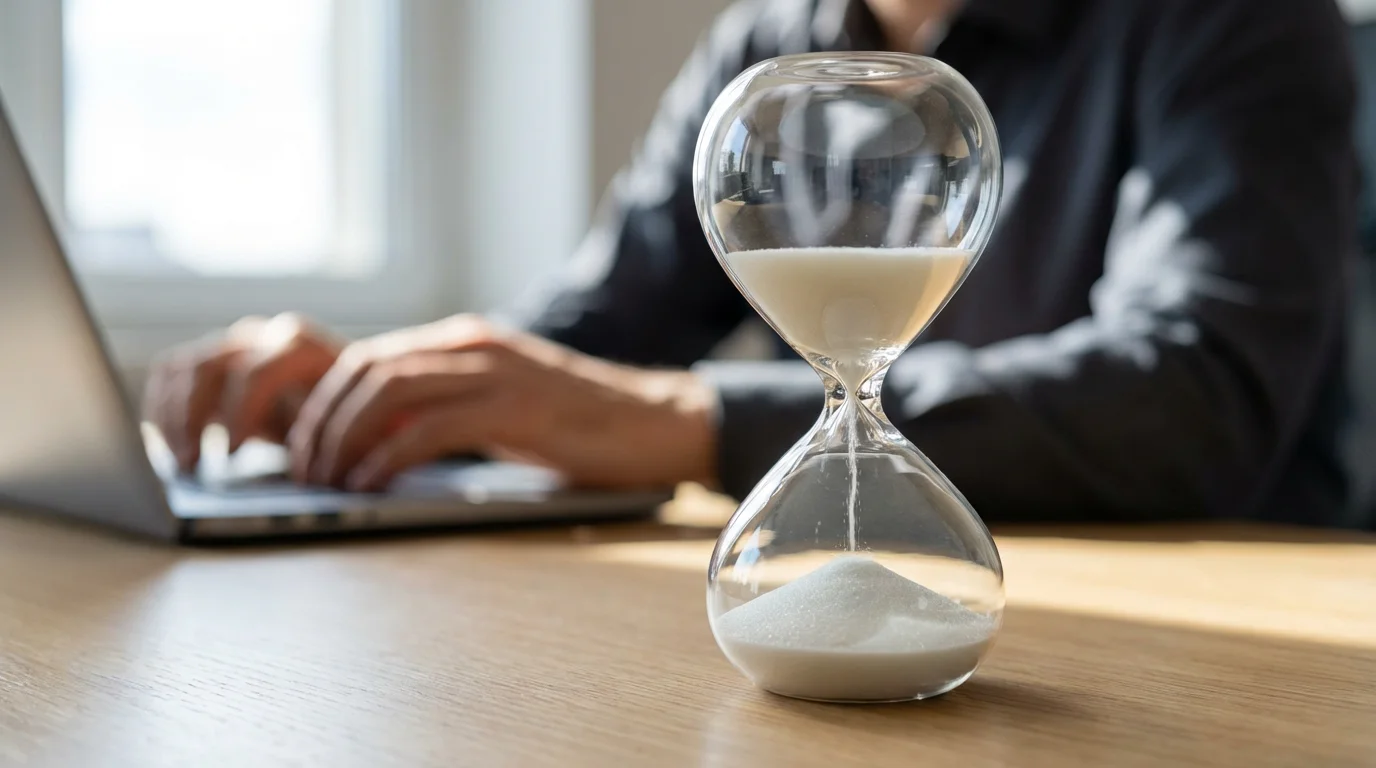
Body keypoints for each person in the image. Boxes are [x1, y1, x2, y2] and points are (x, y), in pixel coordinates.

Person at [145, 0, 1362, 526]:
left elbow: (1195, 392)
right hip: (860, 566)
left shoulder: (1228, 20)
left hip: (1223, 610)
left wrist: (690, 420)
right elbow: (596, 333)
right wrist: (373, 384)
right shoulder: (771, 48)